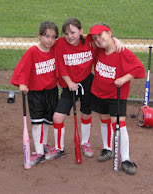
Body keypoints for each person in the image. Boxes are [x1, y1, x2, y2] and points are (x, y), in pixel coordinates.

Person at [45, 18, 124, 160]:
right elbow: (61, 66)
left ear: (81, 31)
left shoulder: (90, 41)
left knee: (86, 114)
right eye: (66, 33)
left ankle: (85, 143)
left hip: (88, 83)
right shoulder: (60, 44)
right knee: (57, 117)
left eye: (73, 32)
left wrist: (116, 40)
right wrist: (69, 82)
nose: (70, 36)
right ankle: (59, 149)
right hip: (69, 84)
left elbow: (104, 39)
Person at [88, 23, 145, 175]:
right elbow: (78, 39)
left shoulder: (122, 51)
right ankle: (108, 149)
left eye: (101, 35)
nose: (98, 40)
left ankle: (125, 158)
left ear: (109, 33)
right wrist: (114, 39)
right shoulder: (97, 49)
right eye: (95, 38)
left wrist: (124, 78)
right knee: (104, 119)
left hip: (116, 95)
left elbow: (139, 68)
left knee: (119, 124)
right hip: (99, 92)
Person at [11, 21, 59, 166]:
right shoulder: (32, 51)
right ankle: (39, 153)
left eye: (53, 37)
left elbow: (74, 39)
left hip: (51, 92)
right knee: (37, 122)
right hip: (36, 93)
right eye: (46, 36)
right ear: (39, 35)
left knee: (46, 121)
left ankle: (43, 144)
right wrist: (22, 83)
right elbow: (23, 68)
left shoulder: (55, 48)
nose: (49, 40)